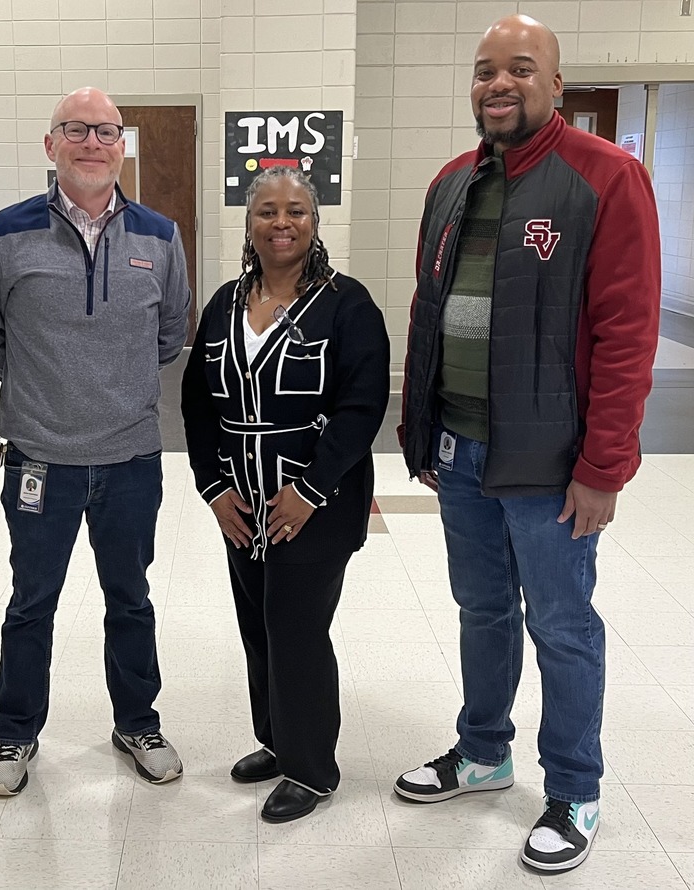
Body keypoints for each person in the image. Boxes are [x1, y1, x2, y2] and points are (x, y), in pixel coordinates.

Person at [397, 15, 660, 874]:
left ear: (554, 82)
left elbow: (628, 333)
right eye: (483, 72)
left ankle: (575, 787)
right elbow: (428, 312)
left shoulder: (607, 179)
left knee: (561, 623)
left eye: (519, 68)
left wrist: (604, 468)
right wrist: (422, 428)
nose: (497, 84)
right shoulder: (450, 181)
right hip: (464, 454)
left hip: (550, 465)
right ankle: (483, 753)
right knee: (481, 612)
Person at [0, 87, 190, 795]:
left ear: (121, 145)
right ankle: (14, 735)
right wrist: (46, 390)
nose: (93, 143)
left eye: (106, 131)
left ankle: (137, 722)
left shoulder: (160, 235)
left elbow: (169, 333)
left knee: (130, 597)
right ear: (50, 144)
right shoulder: (5, 233)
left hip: (130, 458)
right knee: (32, 601)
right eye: (76, 130)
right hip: (40, 459)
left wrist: (107, 387)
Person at [180, 168, 390, 823]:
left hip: (313, 507)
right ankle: (277, 740)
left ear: (314, 221)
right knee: (259, 627)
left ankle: (312, 769)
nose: (280, 222)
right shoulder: (223, 303)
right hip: (242, 505)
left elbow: (362, 407)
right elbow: (195, 404)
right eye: (266, 210)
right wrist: (213, 489)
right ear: (248, 223)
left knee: (297, 629)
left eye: (295, 210)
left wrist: (309, 488)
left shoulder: (346, 304)